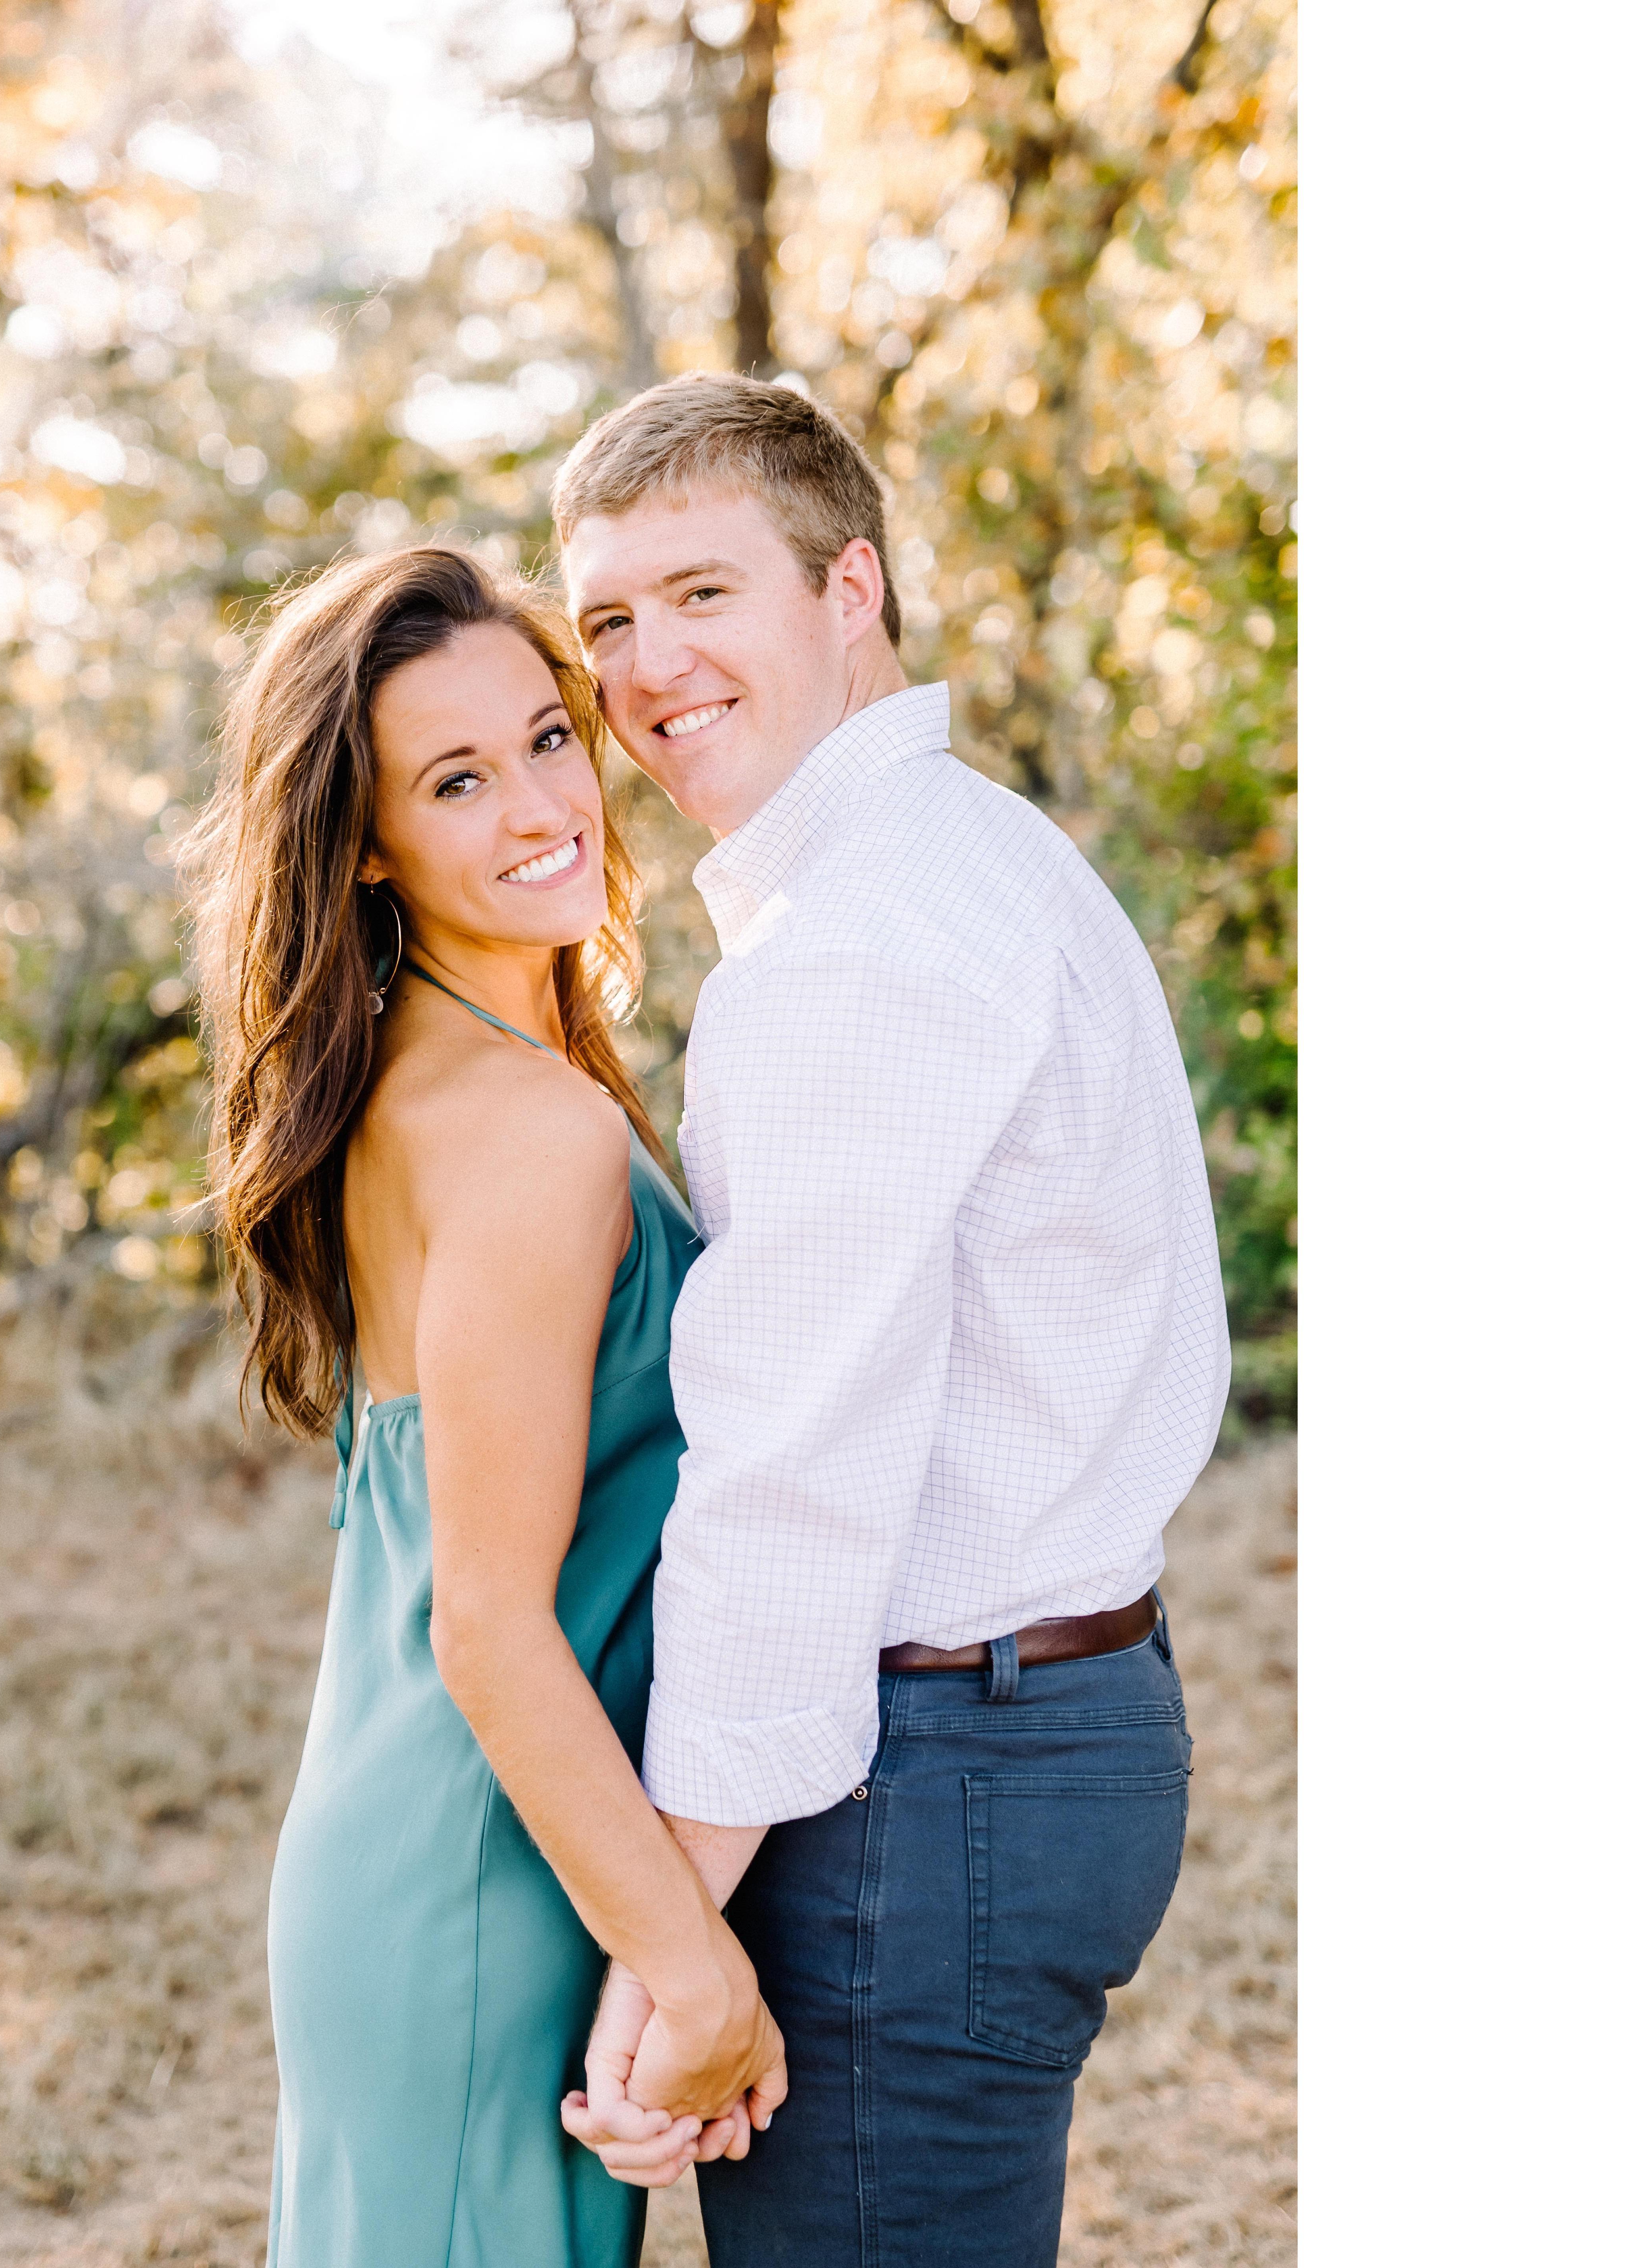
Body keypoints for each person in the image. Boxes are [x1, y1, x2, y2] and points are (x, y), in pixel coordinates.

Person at [552, 373, 1231, 2265]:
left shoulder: (856, 942)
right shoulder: (978, 854)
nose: (647, 667)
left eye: (703, 593)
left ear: (850, 587)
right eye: (607, 621)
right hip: (1033, 1729)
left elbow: (795, 1480)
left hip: (933, 1785)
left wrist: (673, 1941)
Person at [189, 545, 787, 2268]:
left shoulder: (428, 1077)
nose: (541, 804)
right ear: (369, 842)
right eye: (456, 779)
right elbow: (491, 1626)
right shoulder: (534, 1131)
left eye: (544, 738)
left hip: (427, 1849)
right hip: (485, 1879)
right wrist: (691, 1969)